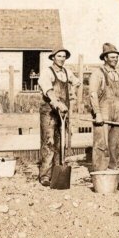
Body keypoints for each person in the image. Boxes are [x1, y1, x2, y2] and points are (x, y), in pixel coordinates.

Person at [37, 48, 80, 186]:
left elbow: (77, 82)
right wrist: (57, 103)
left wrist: (73, 90)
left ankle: (57, 172)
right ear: (53, 58)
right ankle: (45, 175)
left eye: (64, 56)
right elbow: (48, 90)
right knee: (49, 142)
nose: (62, 58)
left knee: (60, 141)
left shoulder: (67, 72)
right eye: (59, 56)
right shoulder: (47, 72)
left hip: (63, 112)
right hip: (49, 111)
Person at [88, 43, 119, 172]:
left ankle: (113, 169)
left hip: (118, 113)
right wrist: (97, 113)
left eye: (116, 57)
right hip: (103, 113)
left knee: (115, 144)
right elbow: (93, 94)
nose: (115, 59)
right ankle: (100, 171)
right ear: (105, 58)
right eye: (112, 57)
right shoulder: (97, 74)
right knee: (101, 144)